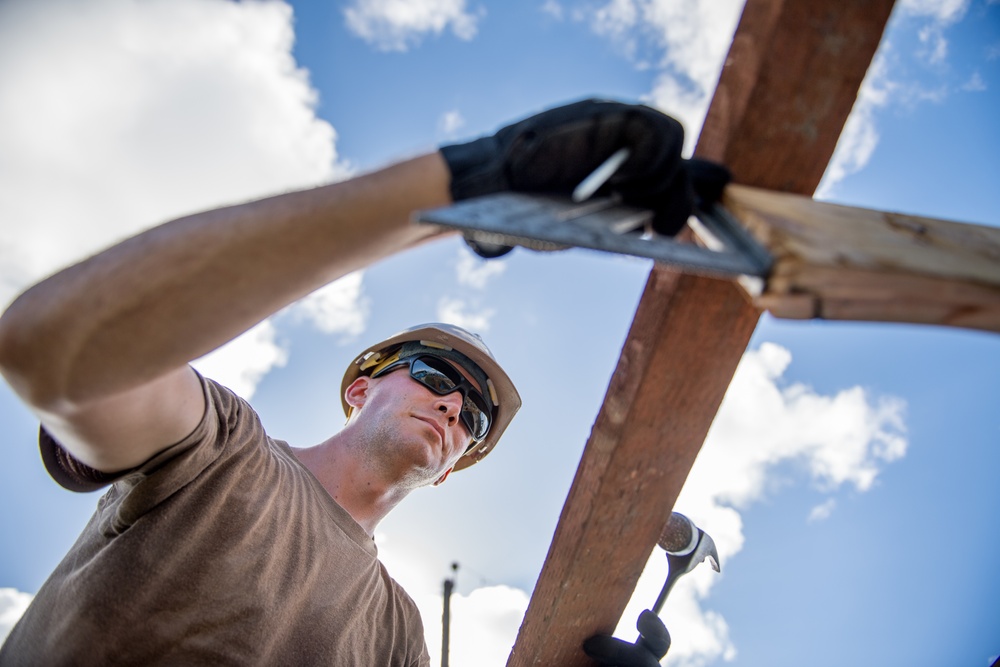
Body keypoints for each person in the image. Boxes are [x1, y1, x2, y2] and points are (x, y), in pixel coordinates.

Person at [0, 99, 703, 665]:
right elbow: (57, 352)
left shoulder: (398, 638)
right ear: (360, 390)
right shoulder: (218, 452)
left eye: (474, 420)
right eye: (435, 374)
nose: (454, 404)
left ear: (456, 467)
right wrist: (467, 185)